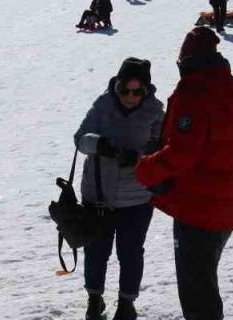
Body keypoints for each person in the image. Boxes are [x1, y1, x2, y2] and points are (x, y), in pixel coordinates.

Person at [135, 27, 233, 320]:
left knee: (197, 295)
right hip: (226, 205)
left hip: (197, 210)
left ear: (186, 60)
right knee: (205, 285)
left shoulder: (194, 92)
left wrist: (145, 168)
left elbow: (181, 153)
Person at [74, 58, 164, 320]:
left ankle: (126, 304)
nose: (130, 97)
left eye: (137, 92)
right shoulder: (102, 105)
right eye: (125, 90)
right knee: (95, 251)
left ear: (146, 91)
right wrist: (98, 144)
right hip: (98, 195)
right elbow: (80, 138)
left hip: (137, 198)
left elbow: (162, 149)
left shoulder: (155, 112)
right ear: (117, 86)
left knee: (131, 253)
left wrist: (137, 158)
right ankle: (94, 300)